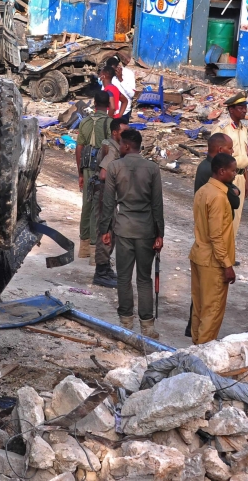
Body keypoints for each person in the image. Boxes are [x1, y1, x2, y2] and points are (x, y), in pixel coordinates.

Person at [100, 129, 165, 338]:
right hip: (146, 229)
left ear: (127, 146)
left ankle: (126, 322)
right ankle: (148, 326)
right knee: (144, 279)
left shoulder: (114, 167)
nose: (119, 147)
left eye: (120, 144)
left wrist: (105, 230)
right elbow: (157, 205)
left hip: (123, 229)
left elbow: (108, 202)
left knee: (124, 278)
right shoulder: (153, 168)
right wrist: (159, 234)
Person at [185, 132, 239, 337]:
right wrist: (227, 265)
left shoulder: (203, 191)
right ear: (222, 171)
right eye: (233, 172)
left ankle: (196, 349)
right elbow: (216, 235)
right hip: (213, 261)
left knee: (199, 307)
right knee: (212, 310)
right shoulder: (218, 196)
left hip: (199, 254)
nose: (235, 175)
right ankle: (203, 356)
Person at [90, 117, 127, 289]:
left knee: (109, 229)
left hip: (105, 192)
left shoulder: (110, 145)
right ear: (114, 133)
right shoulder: (112, 149)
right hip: (105, 192)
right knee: (105, 230)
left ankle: (105, 267)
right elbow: (104, 174)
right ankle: (101, 272)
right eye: (123, 132)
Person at [75, 91, 112, 261]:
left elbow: (79, 148)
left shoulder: (84, 122)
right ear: (109, 105)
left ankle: (84, 248)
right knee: (100, 208)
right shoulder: (111, 124)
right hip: (103, 170)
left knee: (87, 204)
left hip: (87, 168)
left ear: (95, 104)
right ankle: (95, 253)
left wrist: (81, 173)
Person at [216, 92, 248, 240]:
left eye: (245, 107)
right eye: (240, 107)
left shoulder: (244, 129)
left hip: (240, 176)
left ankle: (229, 252)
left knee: (236, 216)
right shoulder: (223, 128)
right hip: (227, 177)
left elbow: (245, 156)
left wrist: (247, 181)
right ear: (231, 109)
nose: (244, 110)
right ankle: (221, 252)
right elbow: (215, 156)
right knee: (224, 215)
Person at [106, 55, 136, 123]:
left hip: (124, 112)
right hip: (110, 113)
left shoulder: (129, 74)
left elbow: (132, 94)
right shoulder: (108, 74)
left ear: (118, 67)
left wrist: (121, 79)